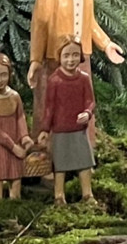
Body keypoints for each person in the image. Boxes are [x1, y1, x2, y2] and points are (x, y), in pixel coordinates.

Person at [26, 0, 124, 125]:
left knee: (82, 102)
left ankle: (82, 141)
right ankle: (51, 142)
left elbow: (89, 20)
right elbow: (40, 24)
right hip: (56, 58)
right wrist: (35, 60)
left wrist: (106, 44)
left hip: (81, 56)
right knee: (55, 106)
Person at [40, 39, 98, 205]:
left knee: (84, 163)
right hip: (60, 129)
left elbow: (90, 101)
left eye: (75, 55)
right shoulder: (55, 80)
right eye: (66, 55)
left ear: (80, 56)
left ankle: (87, 193)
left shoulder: (83, 79)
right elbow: (49, 107)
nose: (71, 60)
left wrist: (87, 113)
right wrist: (45, 129)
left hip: (79, 129)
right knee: (60, 165)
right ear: (59, 57)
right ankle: (59, 195)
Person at [0, 52, 33, 201]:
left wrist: (24, 137)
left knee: (15, 175)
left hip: (15, 143)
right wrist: (14, 147)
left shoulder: (14, 96)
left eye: (3, 75)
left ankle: (15, 201)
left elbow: (20, 117)